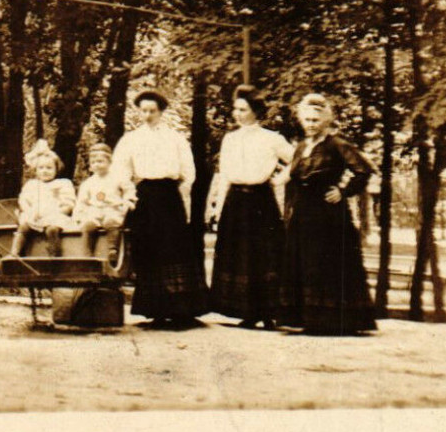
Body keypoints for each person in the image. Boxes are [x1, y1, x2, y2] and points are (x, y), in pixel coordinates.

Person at [280, 93, 377, 335]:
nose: (311, 124)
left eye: (315, 120)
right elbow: (293, 178)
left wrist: (343, 192)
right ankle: (306, 317)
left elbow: (363, 170)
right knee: (303, 262)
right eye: (307, 120)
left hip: (327, 215)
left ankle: (330, 320)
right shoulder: (301, 147)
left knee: (325, 263)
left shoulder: (337, 144)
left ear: (325, 120)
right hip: (302, 212)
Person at [112, 90, 207, 327]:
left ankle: (181, 309)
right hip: (145, 197)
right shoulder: (131, 140)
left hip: (169, 197)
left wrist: (181, 196)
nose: (147, 115)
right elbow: (121, 170)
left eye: (152, 111)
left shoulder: (174, 138)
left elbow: (188, 171)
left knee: (174, 249)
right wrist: (130, 193)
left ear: (161, 112)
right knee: (149, 250)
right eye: (143, 110)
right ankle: (155, 309)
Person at [206, 85, 295, 328]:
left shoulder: (272, 138)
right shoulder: (230, 139)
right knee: (240, 255)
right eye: (235, 109)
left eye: (243, 109)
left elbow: (297, 160)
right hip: (236, 201)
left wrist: (278, 179)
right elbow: (224, 174)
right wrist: (219, 207)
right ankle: (247, 312)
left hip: (260, 201)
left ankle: (268, 313)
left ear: (256, 111)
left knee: (263, 256)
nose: (237, 114)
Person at [14, 140, 75, 257]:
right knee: (24, 227)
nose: (45, 171)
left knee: (52, 229)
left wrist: (57, 213)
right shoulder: (32, 184)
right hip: (35, 216)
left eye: (49, 168)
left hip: (55, 216)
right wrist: (29, 211)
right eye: (41, 168)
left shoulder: (63, 184)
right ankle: (16, 253)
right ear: (36, 170)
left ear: (57, 169)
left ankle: (54, 255)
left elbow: (68, 203)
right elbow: (24, 200)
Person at [73, 141, 133, 257]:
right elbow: (82, 201)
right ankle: (87, 254)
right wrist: (79, 215)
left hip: (112, 208)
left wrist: (127, 202)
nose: (97, 165)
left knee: (111, 222)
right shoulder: (88, 183)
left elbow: (129, 190)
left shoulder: (118, 178)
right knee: (88, 225)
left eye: (100, 161)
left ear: (109, 162)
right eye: (93, 162)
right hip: (95, 210)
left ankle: (112, 249)